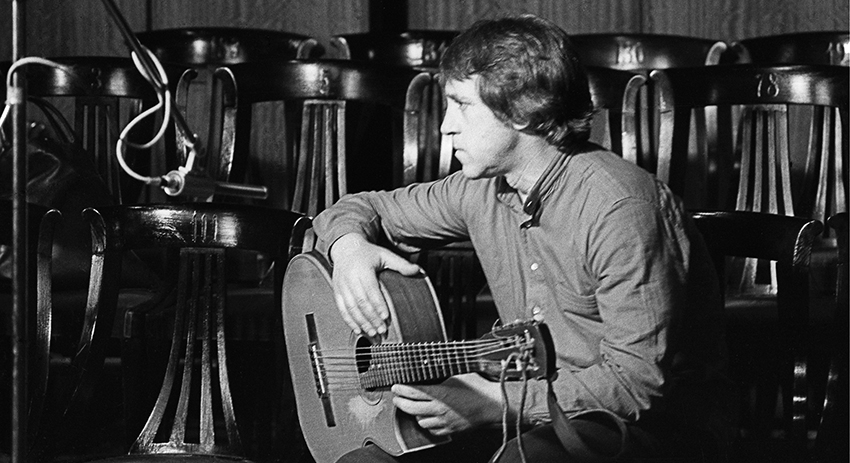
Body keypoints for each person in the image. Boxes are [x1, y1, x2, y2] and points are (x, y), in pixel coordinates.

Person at [312, 14, 732, 463]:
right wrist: (348, 248)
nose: (445, 126)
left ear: (524, 111)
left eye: (461, 105)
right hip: (528, 414)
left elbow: (637, 386)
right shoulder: (480, 189)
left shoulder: (620, 208)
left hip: (650, 431)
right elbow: (361, 209)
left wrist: (494, 404)